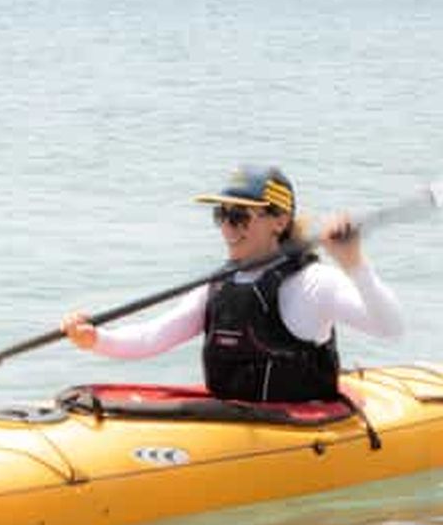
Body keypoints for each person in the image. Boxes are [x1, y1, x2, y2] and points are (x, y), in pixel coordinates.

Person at [61, 164, 404, 403]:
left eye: (239, 217)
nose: (227, 228)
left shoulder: (313, 284)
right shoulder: (220, 286)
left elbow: (389, 327)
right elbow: (153, 337)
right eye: (221, 215)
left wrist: (354, 263)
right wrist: (94, 339)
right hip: (236, 425)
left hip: (300, 429)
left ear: (279, 221)